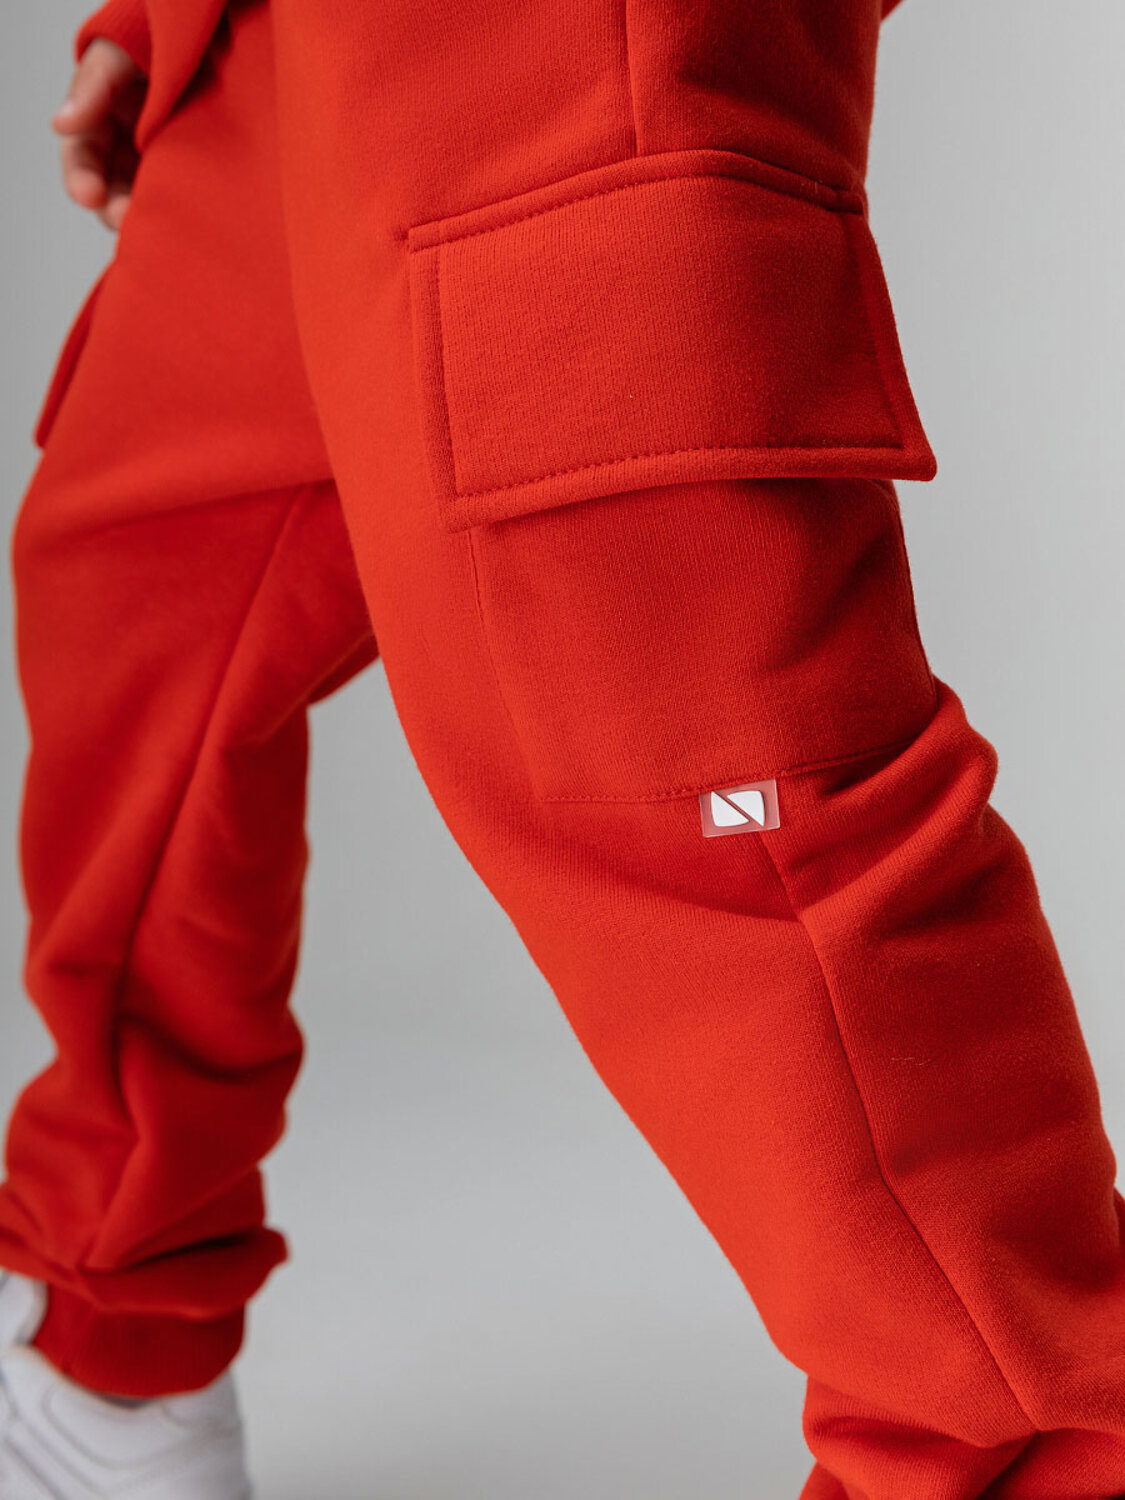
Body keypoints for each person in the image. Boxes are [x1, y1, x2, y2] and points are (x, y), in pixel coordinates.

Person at [1, 1, 1124, 1496]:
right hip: (289, 46)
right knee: (140, 607)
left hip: (555, 47)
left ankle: (1044, 1457)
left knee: (738, 825)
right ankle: (108, 1345)